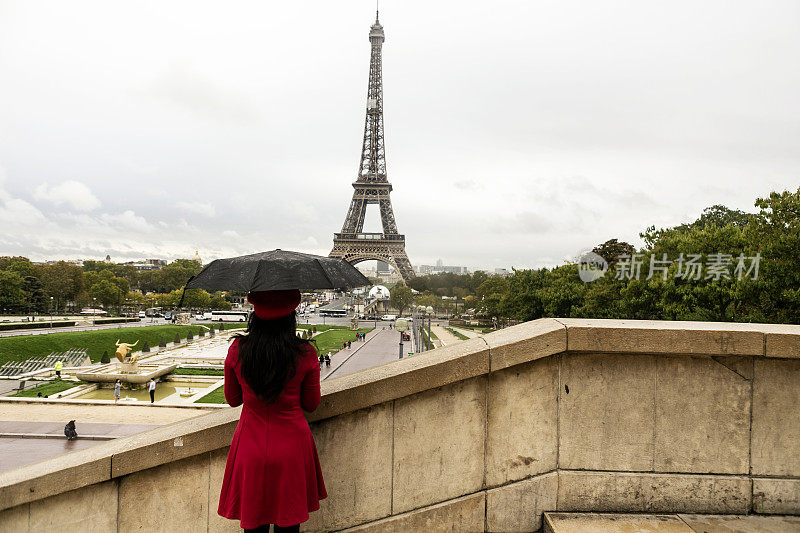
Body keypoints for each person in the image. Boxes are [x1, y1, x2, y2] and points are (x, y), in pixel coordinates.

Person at [218, 289, 326, 532]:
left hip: (250, 446)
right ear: (291, 317)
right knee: (289, 526)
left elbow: (233, 400)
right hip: (292, 449)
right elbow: (311, 404)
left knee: (253, 526)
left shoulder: (238, 349)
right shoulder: (305, 352)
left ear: (254, 315)